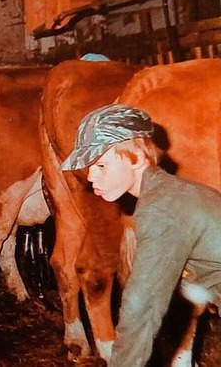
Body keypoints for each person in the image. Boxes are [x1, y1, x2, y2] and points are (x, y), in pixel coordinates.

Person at [61, 103, 221, 366]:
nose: (91, 178)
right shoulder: (170, 193)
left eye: (101, 165)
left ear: (136, 156)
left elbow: (141, 307)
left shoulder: (162, 208)